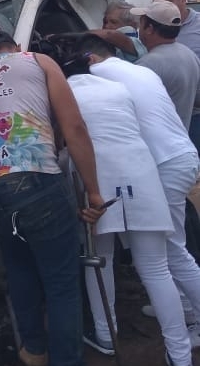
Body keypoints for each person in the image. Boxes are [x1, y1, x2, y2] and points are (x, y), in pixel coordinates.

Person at [0, 31, 104, 366]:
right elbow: (74, 127)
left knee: (20, 269)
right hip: (33, 175)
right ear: (17, 48)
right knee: (61, 281)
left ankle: (35, 351)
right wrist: (94, 192)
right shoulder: (37, 60)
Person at [61, 42, 190, 365]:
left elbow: (67, 142)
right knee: (156, 268)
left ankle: (107, 335)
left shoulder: (63, 93)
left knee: (99, 258)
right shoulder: (119, 89)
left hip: (96, 178)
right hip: (142, 172)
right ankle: (180, 355)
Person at [132, 0, 200, 131]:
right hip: (183, 135)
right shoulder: (188, 54)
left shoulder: (148, 64)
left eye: (141, 24)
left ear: (149, 29)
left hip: (156, 140)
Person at [151, 0, 200, 151]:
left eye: (169, 2)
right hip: (166, 115)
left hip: (195, 114)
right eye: (157, 3)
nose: (163, 8)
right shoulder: (151, 28)